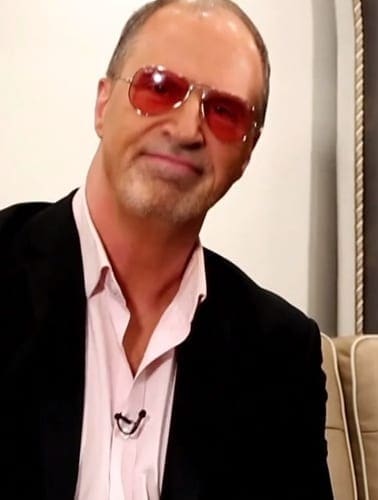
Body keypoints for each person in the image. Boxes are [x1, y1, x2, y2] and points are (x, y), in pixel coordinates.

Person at [0, 1, 333, 498]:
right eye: (159, 88)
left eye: (224, 112)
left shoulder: (279, 353)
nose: (186, 129)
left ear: (247, 153)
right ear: (102, 104)